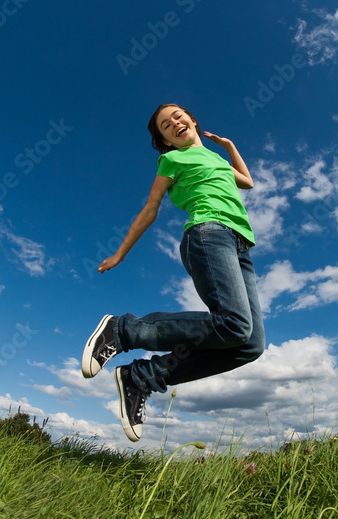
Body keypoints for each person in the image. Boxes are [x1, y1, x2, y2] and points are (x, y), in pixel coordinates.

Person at [81, 103, 265, 442]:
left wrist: (229, 146)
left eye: (178, 117)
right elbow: (150, 208)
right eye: (166, 126)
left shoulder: (219, 161)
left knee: (250, 344)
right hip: (209, 234)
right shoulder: (171, 161)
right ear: (166, 141)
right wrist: (120, 253)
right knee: (235, 323)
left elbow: (248, 182)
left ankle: (142, 377)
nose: (174, 124)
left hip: (242, 247)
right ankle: (121, 331)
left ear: (192, 120)